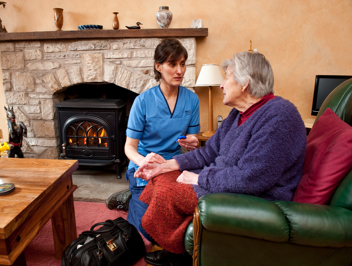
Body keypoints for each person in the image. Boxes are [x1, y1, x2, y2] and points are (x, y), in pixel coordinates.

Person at [135, 51, 307, 266]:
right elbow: (208, 152)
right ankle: (174, 247)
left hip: (258, 195)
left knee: (168, 191)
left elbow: (252, 178)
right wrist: (165, 166)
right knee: (162, 178)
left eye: (226, 77)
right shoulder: (238, 113)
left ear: (245, 83)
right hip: (224, 180)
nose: (222, 85)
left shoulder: (279, 115)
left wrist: (199, 179)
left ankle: (176, 255)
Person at [105, 38, 201, 241]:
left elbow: (194, 139)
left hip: (172, 166)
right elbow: (129, 147)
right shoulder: (142, 102)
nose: (179, 71)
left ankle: (131, 197)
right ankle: (130, 199)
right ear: (158, 66)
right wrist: (144, 162)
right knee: (147, 231)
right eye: (172, 64)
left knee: (178, 221)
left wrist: (194, 142)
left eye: (182, 64)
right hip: (144, 166)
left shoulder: (192, 99)